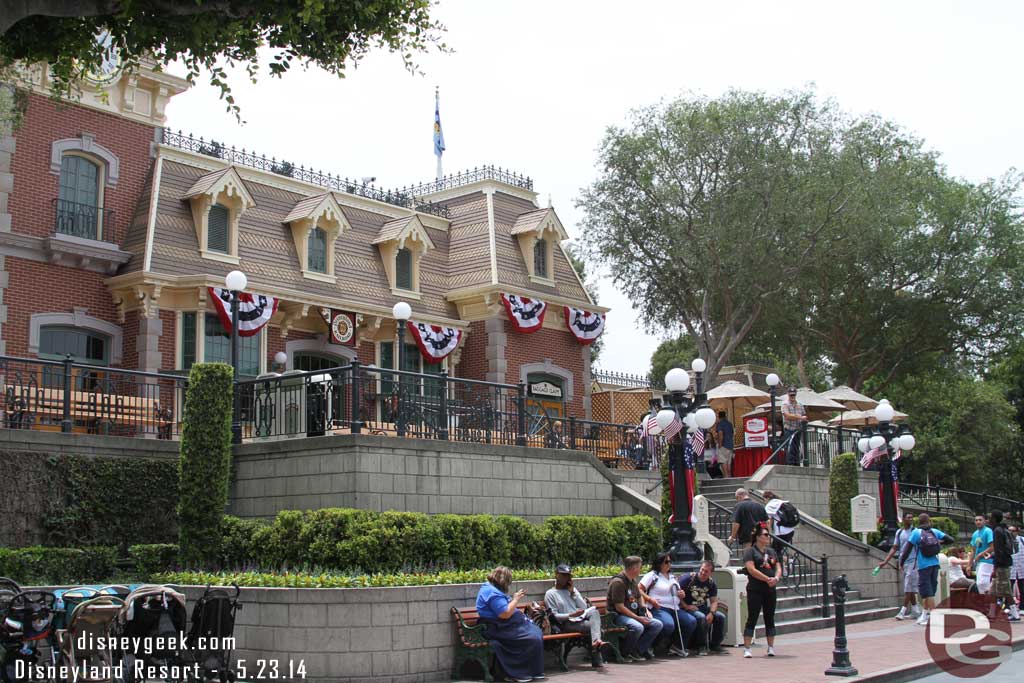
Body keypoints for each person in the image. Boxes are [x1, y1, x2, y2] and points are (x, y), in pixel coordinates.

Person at [475, 566, 545, 683]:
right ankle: (517, 673)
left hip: (508, 624)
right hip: (496, 627)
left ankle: (533, 671)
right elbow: (505, 613)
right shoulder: (492, 593)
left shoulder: (493, 589)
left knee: (535, 633)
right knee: (531, 637)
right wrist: (516, 599)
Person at [544, 564, 606, 667]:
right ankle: (596, 651)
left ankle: (596, 642)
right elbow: (554, 616)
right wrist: (571, 614)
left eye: (568, 576)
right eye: (563, 575)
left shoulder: (572, 589)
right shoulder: (550, 593)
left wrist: (573, 593)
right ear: (556, 575)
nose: (565, 578)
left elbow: (584, 606)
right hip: (566, 623)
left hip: (579, 618)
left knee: (594, 612)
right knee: (596, 628)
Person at [899, 513, 953, 626]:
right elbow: (950, 540)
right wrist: (939, 542)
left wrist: (902, 562)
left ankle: (934, 617)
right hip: (935, 564)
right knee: (929, 591)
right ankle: (924, 614)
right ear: (929, 521)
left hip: (923, 566)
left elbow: (907, 549)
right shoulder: (934, 531)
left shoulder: (916, 533)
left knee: (927, 593)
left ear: (919, 521)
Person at [638, 552, 695, 657]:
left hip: (675, 607)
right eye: (666, 562)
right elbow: (639, 589)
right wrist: (650, 599)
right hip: (659, 608)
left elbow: (676, 592)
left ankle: (676, 646)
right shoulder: (652, 575)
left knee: (691, 621)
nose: (669, 564)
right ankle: (651, 645)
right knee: (668, 625)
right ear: (659, 563)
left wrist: (681, 594)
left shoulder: (672, 576)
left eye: (670, 561)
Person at [607, 556, 663, 661]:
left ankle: (637, 650)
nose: (641, 570)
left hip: (634, 614)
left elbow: (639, 596)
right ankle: (624, 653)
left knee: (657, 624)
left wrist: (644, 609)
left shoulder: (632, 580)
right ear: (634, 568)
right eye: (640, 567)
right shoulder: (618, 583)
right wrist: (638, 618)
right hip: (618, 616)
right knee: (638, 627)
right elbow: (619, 607)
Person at [742, 524, 781, 658]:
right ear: (758, 537)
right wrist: (766, 579)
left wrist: (776, 578)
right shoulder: (750, 551)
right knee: (752, 617)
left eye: (768, 535)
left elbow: (778, 566)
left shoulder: (771, 552)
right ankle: (747, 648)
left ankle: (771, 647)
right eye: (765, 535)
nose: (768, 537)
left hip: (770, 590)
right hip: (755, 589)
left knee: (769, 617)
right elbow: (751, 569)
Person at [678, 560, 728, 655]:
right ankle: (701, 646)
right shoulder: (688, 578)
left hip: (702, 607)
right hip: (687, 607)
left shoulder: (711, 583)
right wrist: (686, 606)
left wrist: (712, 613)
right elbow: (676, 594)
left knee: (720, 617)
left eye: (706, 571)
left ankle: (715, 644)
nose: (703, 573)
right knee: (701, 617)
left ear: (711, 573)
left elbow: (714, 601)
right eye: (702, 570)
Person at [877, 512, 921, 620]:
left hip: (913, 562)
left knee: (907, 587)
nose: (910, 519)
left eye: (912, 517)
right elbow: (895, 547)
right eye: (908, 517)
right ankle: (915, 610)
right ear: (904, 519)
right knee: (909, 586)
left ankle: (903, 611)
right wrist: (885, 561)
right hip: (903, 563)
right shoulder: (899, 532)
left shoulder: (915, 532)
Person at [988, 510, 1015, 619]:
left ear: (994, 519)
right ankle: (992, 613)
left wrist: (995, 566)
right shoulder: (1003, 529)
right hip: (1003, 563)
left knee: (1006, 590)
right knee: (993, 591)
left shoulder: (997, 531)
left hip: (1002, 565)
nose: (988, 519)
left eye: (990, 517)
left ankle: (1014, 613)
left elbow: (999, 550)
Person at [780, 386, 807, 466]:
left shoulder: (800, 405)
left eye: (793, 395)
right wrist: (799, 417)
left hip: (798, 429)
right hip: (789, 428)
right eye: (791, 395)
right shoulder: (785, 404)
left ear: (796, 394)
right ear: (788, 394)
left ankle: (796, 463)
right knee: (790, 447)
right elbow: (787, 416)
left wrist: (803, 418)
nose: (792, 396)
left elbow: (804, 415)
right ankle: (790, 463)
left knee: (796, 447)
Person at [970, 514, 995, 594]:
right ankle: (986, 601)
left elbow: (992, 547)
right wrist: (969, 564)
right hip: (978, 562)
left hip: (987, 561)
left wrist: (980, 555)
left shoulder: (988, 531)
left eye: (980, 520)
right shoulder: (975, 534)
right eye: (976, 520)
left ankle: (989, 600)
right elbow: (973, 550)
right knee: (979, 583)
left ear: (985, 521)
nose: (978, 522)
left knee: (983, 582)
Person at [715, 411, 735, 478]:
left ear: (719, 416)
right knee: (729, 463)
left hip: (723, 445)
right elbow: (731, 434)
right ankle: (729, 476)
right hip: (730, 445)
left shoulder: (720, 424)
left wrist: (720, 444)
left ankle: (726, 477)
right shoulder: (730, 424)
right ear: (725, 416)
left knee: (723, 461)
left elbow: (721, 434)